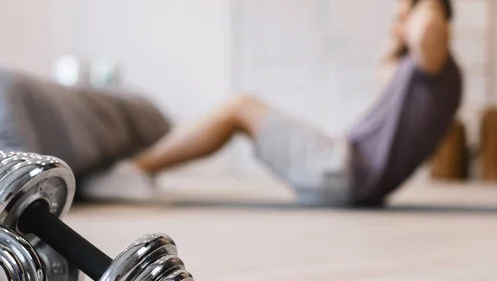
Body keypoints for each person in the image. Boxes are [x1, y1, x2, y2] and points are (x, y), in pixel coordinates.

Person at [84, 0, 463, 207]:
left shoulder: (437, 67)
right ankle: (139, 167)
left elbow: (429, 25)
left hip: (342, 168)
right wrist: (401, 27)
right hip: (345, 167)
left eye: (401, 17)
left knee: (239, 108)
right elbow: (386, 66)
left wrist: (424, 8)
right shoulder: (423, 76)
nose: (396, 27)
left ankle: (133, 172)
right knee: (242, 108)